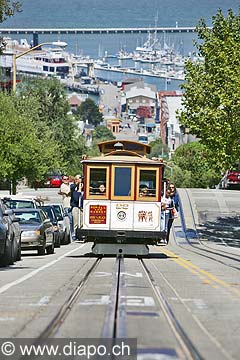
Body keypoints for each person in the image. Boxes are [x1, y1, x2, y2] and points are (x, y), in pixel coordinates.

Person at [70, 175, 84, 239]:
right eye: (78, 179)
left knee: (81, 222)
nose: (80, 180)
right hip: (75, 207)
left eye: (80, 178)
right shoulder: (73, 187)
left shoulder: (84, 187)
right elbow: (76, 199)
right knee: (76, 222)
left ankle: (81, 234)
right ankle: (75, 234)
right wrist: (79, 189)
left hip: (82, 208)